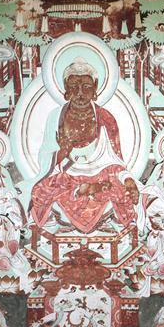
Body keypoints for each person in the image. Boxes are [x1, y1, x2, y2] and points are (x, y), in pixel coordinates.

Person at [29, 58, 139, 233]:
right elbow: (44, 157)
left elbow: (115, 161)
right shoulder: (55, 117)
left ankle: (114, 224)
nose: (80, 93)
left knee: (121, 193)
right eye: (74, 86)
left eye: (86, 87)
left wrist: (128, 180)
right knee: (40, 191)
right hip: (67, 176)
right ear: (66, 90)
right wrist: (62, 152)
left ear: (95, 89)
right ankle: (52, 226)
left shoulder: (105, 117)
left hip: (100, 177)